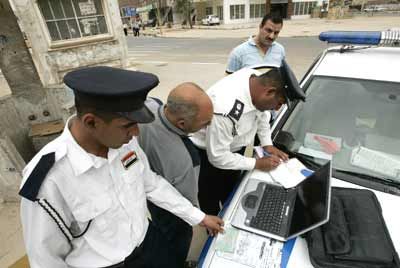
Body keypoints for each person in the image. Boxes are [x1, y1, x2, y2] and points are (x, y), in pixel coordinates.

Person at [19, 66, 224, 268]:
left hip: (149, 244)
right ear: (91, 122)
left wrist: (199, 217)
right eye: (128, 125)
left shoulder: (121, 141)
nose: (136, 133)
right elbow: (45, 259)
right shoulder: (49, 179)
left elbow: (150, 183)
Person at [190, 63, 306, 215]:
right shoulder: (225, 108)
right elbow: (218, 157)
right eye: (279, 103)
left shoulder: (255, 81)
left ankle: (227, 211)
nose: (277, 109)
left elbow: (262, 114)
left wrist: (267, 144)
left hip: (234, 147)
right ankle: (213, 226)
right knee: (210, 195)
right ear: (270, 91)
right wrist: (257, 163)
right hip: (208, 154)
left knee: (231, 189)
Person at [137, 82, 213, 268]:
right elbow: (188, 200)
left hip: (152, 194)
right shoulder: (186, 159)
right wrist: (199, 216)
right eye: (205, 122)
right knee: (178, 240)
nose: (210, 124)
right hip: (174, 209)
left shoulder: (150, 106)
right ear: (182, 124)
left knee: (160, 236)